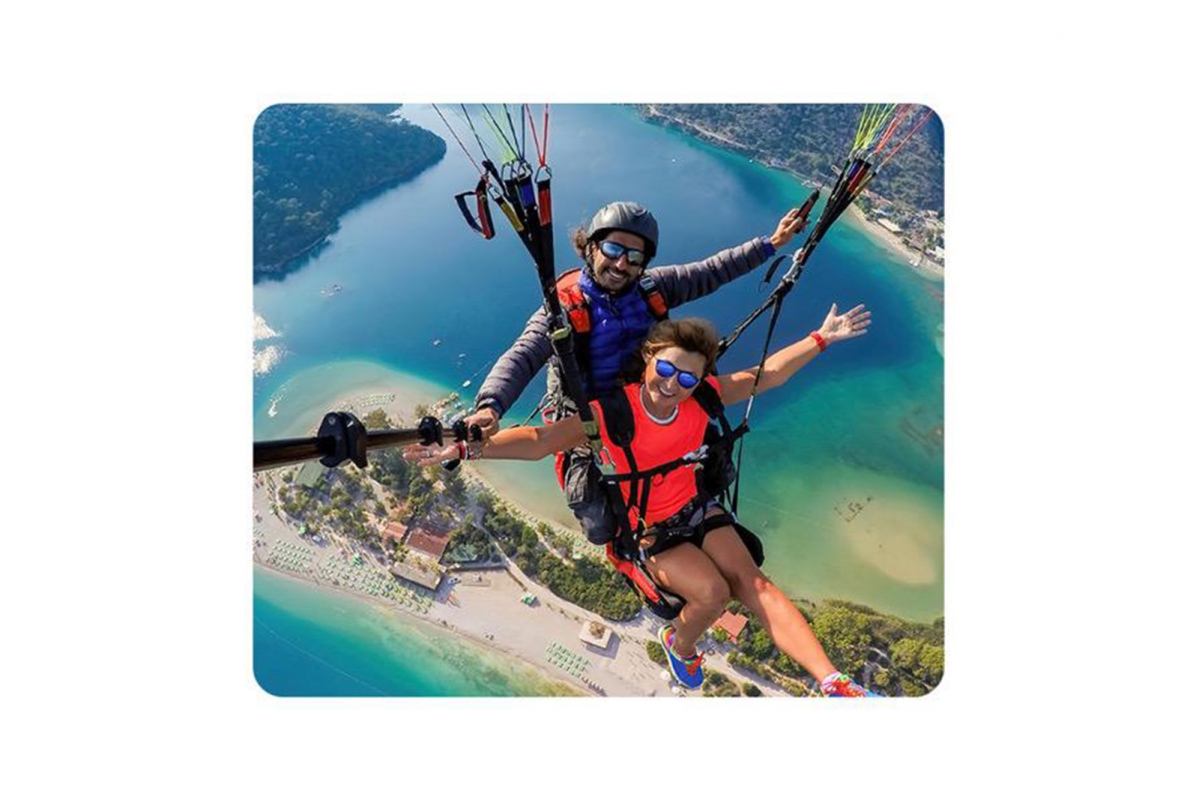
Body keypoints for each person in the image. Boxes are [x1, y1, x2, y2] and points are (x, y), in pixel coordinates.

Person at [407, 305, 876, 696]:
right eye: (666, 370)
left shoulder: (701, 398)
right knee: (712, 594)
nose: (673, 384)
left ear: (700, 380)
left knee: (755, 584)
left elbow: (765, 375)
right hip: (650, 531)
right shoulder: (614, 412)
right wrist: (467, 448)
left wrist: (821, 338)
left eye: (687, 378)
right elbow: (540, 440)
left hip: (698, 506)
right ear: (649, 359)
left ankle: (834, 683)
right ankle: (680, 645)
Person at [463, 200, 811, 546]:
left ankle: (689, 521)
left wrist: (772, 243)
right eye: (613, 249)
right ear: (592, 247)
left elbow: (712, 271)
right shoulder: (564, 308)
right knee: (602, 524)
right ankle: (641, 547)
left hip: (651, 405)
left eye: (634, 257)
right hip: (595, 422)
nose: (621, 264)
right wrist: (491, 407)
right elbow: (523, 355)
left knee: (712, 465)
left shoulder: (652, 288)